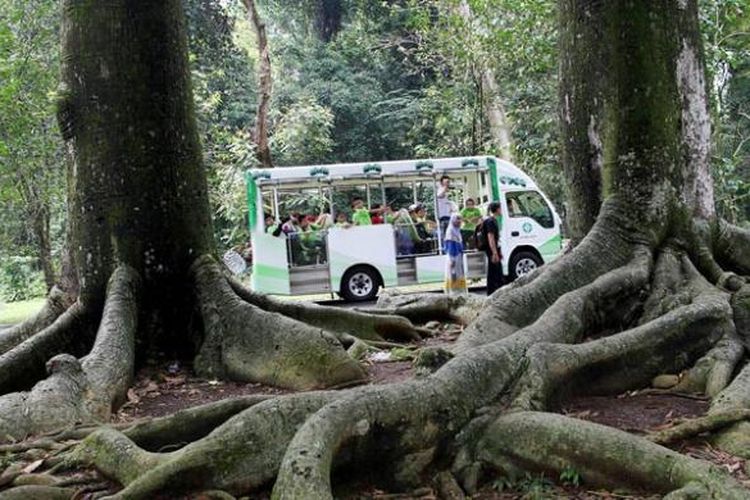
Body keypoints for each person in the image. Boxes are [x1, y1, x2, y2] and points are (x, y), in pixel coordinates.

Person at [482, 202, 504, 295]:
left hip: (495, 249)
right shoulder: (490, 221)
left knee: (495, 271)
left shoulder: (493, 220)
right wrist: (494, 253)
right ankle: (494, 293)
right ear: (497, 209)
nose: (501, 210)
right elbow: (490, 238)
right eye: (500, 208)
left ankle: (493, 293)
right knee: (495, 272)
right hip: (492, 250)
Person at [443, 213, 467, 295]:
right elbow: (450, 246)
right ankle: (454, 293)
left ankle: (459, 291)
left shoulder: (456, 230)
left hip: (458, 256)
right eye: (457, 219)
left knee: (459, 274)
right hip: (453, 256)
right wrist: (452, 259)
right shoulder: (451, 231)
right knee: (454, 274)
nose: (459, 222)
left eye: (460, 219)